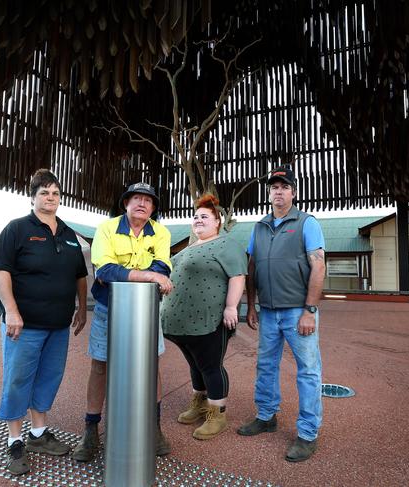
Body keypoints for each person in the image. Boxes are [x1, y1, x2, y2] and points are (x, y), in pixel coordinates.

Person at [0, 169, 88, 475]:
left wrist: (82, 308)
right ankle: (15, 440)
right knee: (18, 379)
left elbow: (80, 276)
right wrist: (12, 311)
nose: (51, 198)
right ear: (32, 197)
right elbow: (0, 271)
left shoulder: (69, 234)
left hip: (58, 325)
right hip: (24, 324)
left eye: (56, 193)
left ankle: (38, 433)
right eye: (45, 193)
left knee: (49, 378)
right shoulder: (17, 229)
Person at [72, 182, 174, 462]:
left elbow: (163, 266)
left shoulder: (161, 232)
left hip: (146, 308)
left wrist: (148, 273)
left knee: (151, 364)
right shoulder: (106, 229)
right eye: (136, 198)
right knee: (100, 366)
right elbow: (105, 271)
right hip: (108, 307)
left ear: (153, 208)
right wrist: (149, 276)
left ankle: (154, 429)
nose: (142, 203)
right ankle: (90, 430)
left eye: (148, 200)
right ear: (125, 204)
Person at [236, 164, 326, 462]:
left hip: (298, 311)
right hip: (268, 312)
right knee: (266, 366)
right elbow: (251, 267)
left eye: (284, 186)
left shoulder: (306, 223)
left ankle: (307, 433)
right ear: (269, 192)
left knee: (308, 372)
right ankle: (266, 416)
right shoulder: (259, 226)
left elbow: (318, 266)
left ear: (293, 192)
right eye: (274, 186)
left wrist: (310, 310)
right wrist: (250, 305)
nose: (278, 190)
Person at [161, 194, 247, 440]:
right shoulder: (190, 246)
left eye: (205, 216)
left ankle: (217, 413)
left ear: (218, 221)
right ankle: (200, 402)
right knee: (195, 364)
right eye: (196, 216)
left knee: (210, 366)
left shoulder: (226, 244)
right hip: (180, 323)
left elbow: (237, 275)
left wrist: (232, 306)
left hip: (210, 320)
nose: (198, 220)